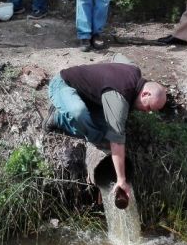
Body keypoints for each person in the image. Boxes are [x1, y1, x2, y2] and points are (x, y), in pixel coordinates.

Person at [45, 60, 167, 199]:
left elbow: (116, 55)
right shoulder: (119, 98)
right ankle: (57, 118)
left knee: (106, 130)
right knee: (80, 116)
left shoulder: (135, 70)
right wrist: (121, 180)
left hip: (91, 100)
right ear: (145, 94)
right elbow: (117, 141)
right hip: (63, 86)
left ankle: (92, 131)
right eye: (149, 107)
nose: (148, 112)